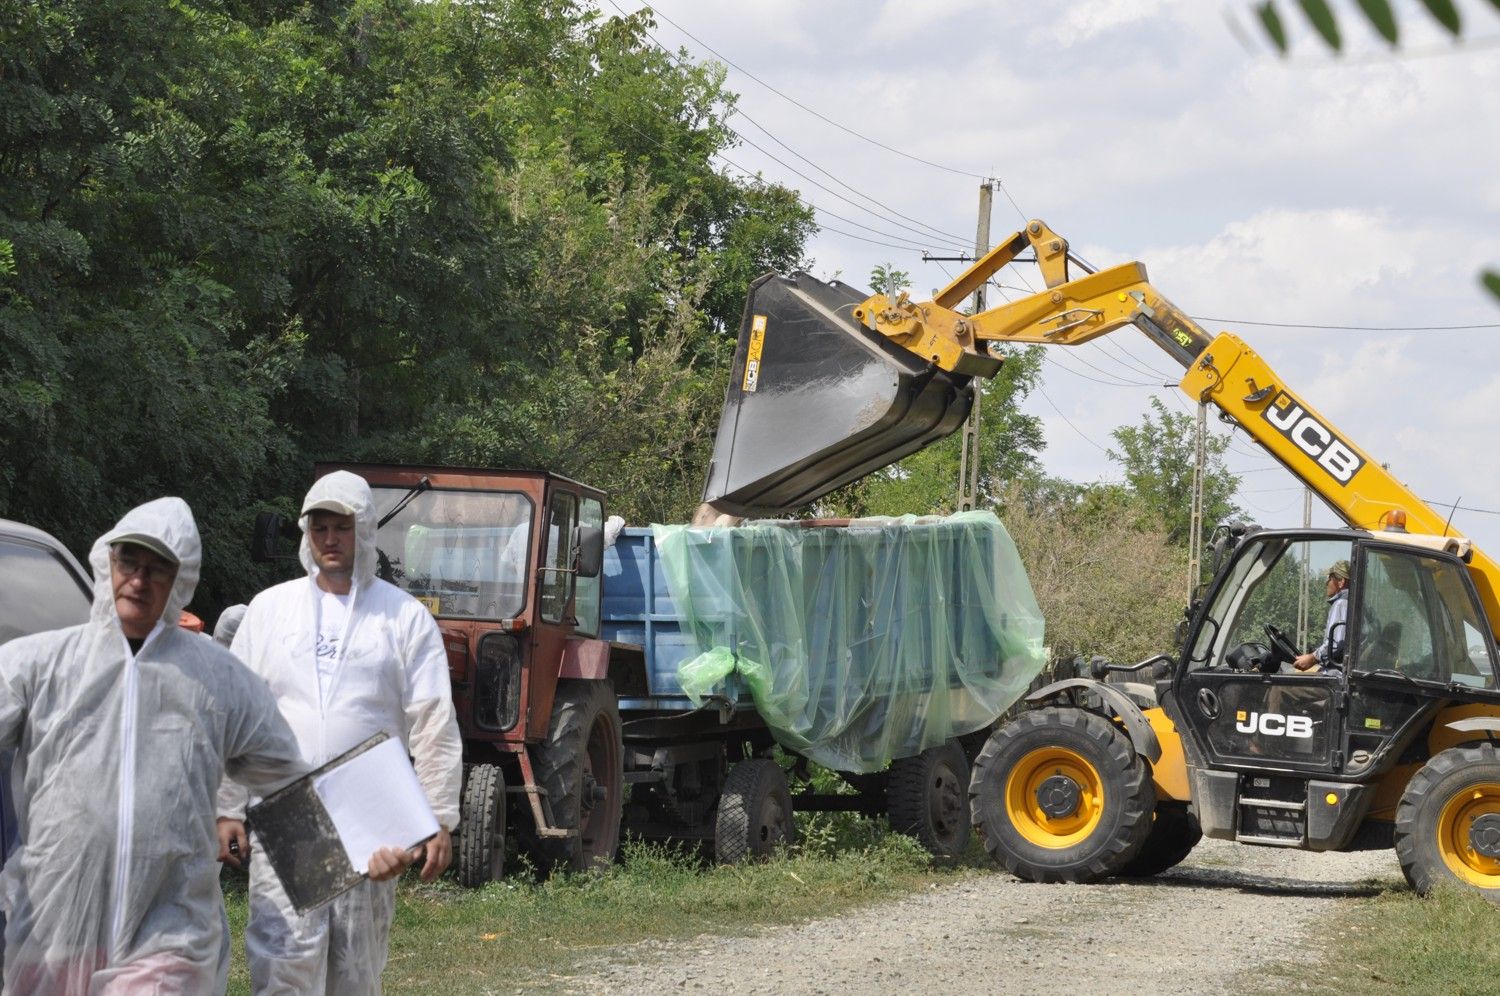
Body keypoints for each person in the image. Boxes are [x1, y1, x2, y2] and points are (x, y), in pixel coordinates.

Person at [0, 497, 400, 992]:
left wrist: (361, 858)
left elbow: (286, 781)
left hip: (171, 928)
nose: (139, 580)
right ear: (108, 563)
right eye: (129, 561)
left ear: (181, 580)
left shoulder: (217, 679)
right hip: (53, 921)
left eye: (157, 568)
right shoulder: (37, 666)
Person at [218, 471, 462, 995]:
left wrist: (438, 817)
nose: (329, 539)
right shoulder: (270, 610)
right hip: (290, 814)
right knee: (283, 967)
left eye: (342, 527)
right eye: (319, 527)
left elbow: (432, 717)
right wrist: (226, 806)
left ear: (366, 531)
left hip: (370, 816)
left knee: (355, 970)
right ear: (306, 534)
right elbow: (238, 713)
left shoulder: (402, 617)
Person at [1294, 559, 1350, 672]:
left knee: (1278, 689)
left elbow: (1336, 643)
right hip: (1339, 672)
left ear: (1341, 582)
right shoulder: (1354, 603)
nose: (1327, 582)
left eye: (1330, 578)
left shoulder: (1341, 604)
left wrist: (1313, 658)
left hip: (1335, 676)